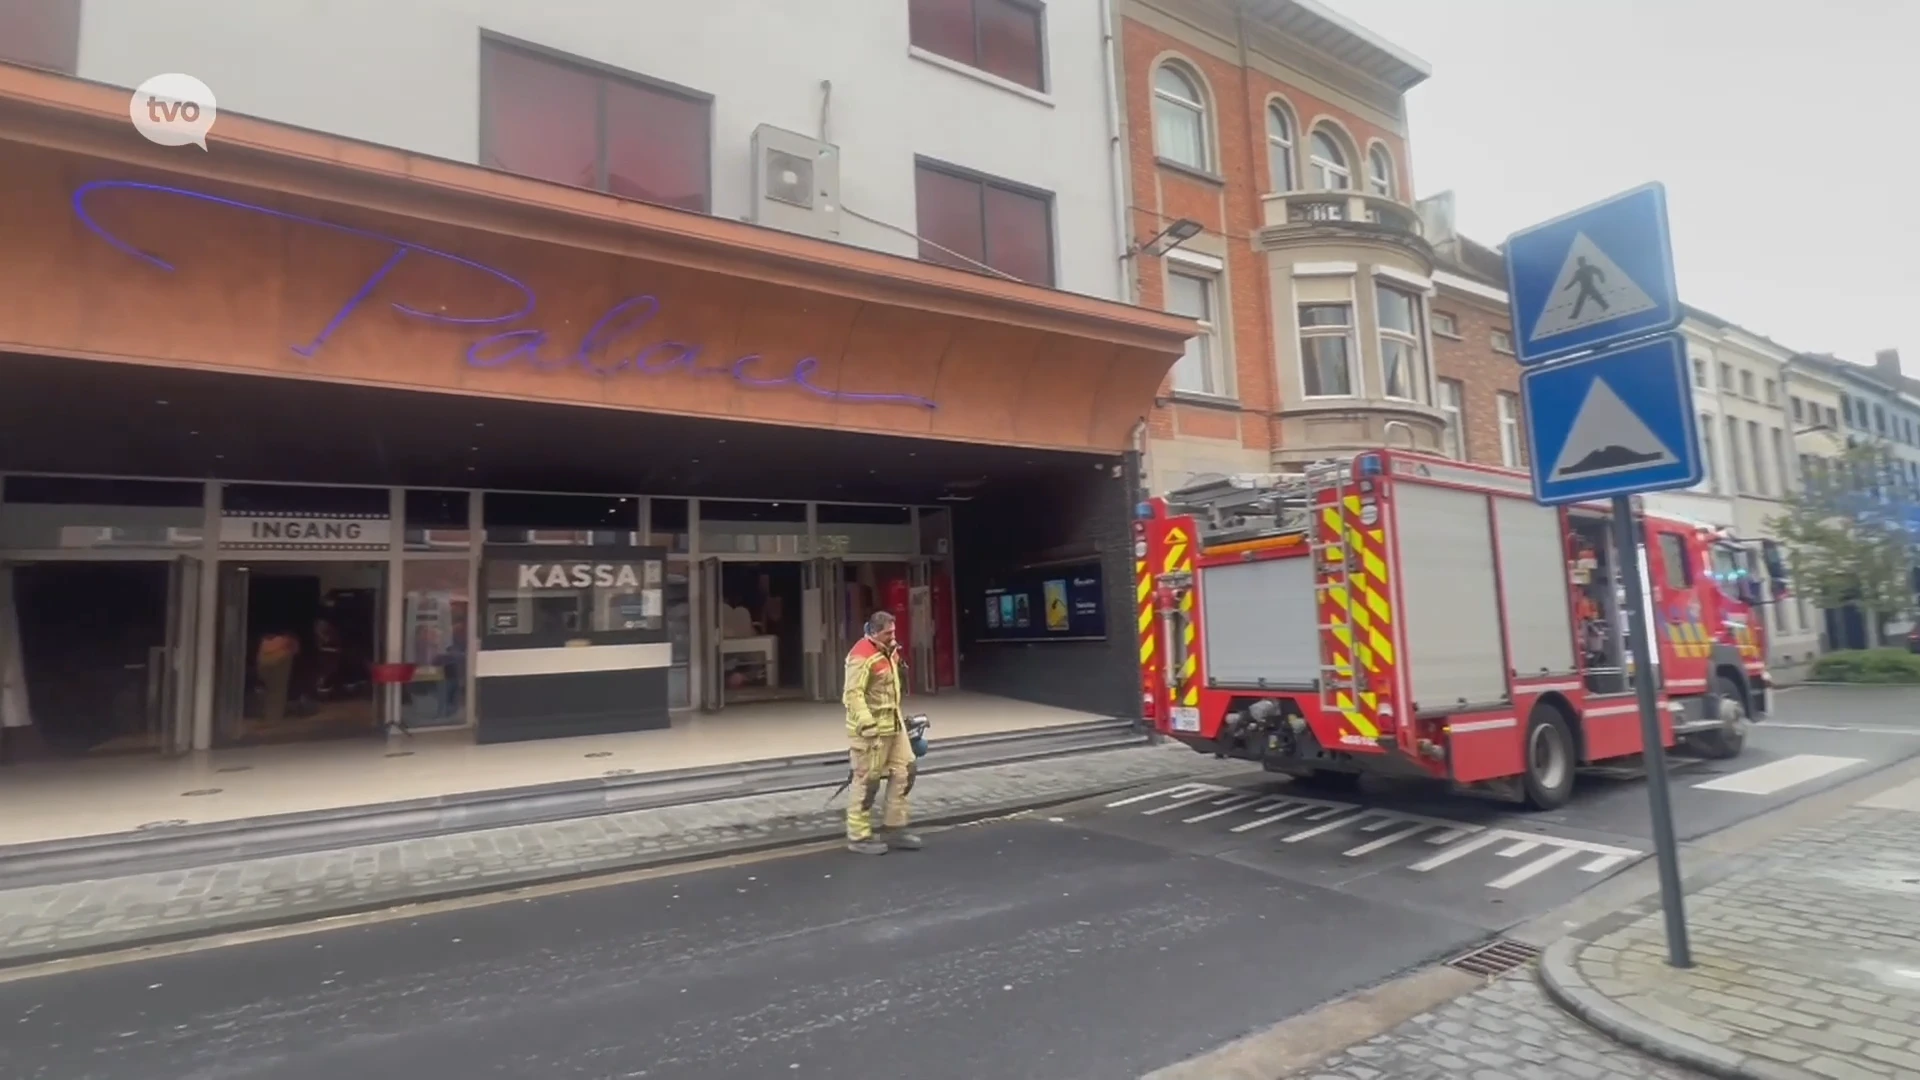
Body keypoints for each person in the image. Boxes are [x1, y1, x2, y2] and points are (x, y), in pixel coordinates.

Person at [841, 610, 919, 855]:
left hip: (893, 727)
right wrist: (867, 725)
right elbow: (852, 695)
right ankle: (859, 836)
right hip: (870, 733)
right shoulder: (861, 656)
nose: (893, 636)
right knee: (866, 782)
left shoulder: (890, 651)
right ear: (874, 632)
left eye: (894, 631)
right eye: (888, 633)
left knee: (905, 770)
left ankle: (894, 827)